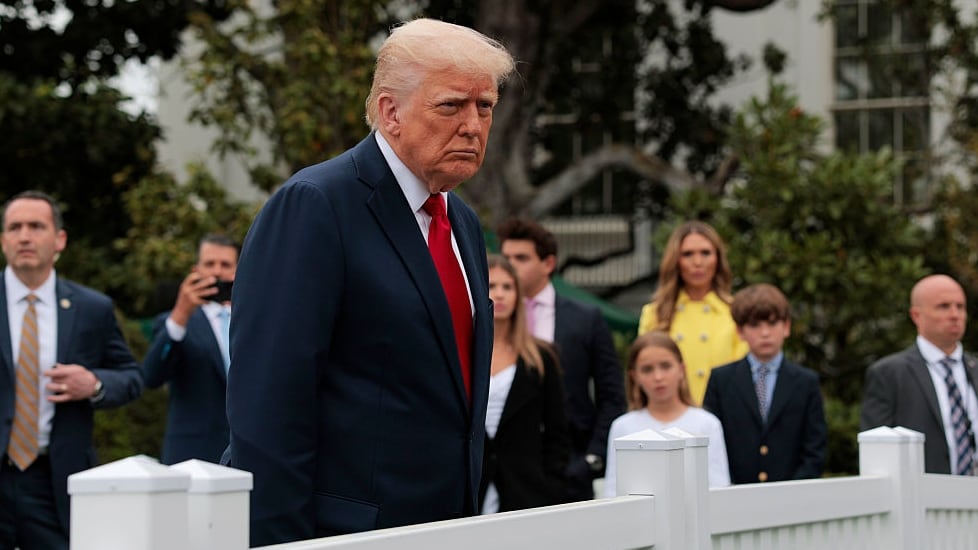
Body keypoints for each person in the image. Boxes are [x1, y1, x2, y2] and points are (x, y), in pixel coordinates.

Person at [224, 19, 514, 545]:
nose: (473, 126)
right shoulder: (315, 206)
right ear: (390, 111)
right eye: (451, 105)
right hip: (342, 535)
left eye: (485, 106)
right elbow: (268, 409)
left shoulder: (462, 223)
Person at [0, 191, 142, 549]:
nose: (25, 236)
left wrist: (93, 383)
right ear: (3, 240)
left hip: (54, 480)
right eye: (14, 227)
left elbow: (132, 377)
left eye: (36, 226)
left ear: (60, 239)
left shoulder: (91, 309)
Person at [497, 218, 625, 502]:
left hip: (571, 466)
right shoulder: (489, 317)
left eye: (521, 258)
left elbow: (612, 396)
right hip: (505, 470)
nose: (511, 265)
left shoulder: (585, 319)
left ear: (548, 263)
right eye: (506, 257)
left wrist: (592, 459)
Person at [703, 283, 826, 484]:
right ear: (740, 331)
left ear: (786, 327)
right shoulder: (721, 380)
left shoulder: (806, 382)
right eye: (755, 325)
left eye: (772, 323)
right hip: (736, 495)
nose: (765, 333)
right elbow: (714, 445)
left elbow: (814, 448)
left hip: (791, 498)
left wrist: (794, 489)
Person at [861, 274, 978, 475]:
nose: (955, 314)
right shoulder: (890, 374)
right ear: (916, 315)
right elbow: (877, 452)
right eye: (943, 306)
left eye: (960, 306)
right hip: (922, 497)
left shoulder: (973, 368)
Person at [480, 255, 570, 513]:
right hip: (472, 489)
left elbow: (558, 433)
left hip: (527, 492)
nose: (499, 294)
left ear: (518, 295)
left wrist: (551, 486)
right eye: (492, 285)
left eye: (507, 287)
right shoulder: (463, 354)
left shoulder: (541, 358)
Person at [143, 234, 238, 464]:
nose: (217, 272)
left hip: (246, 453)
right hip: (192, 455)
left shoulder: (254, 321)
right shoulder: (177, 322)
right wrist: (181, 314)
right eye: (209, 264)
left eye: (225, 265)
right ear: (195, 270)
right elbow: (151, 375)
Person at [604, 331, 730, 497]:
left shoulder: (706, 423)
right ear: (635, 376)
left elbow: (718, 486)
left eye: (665, 366)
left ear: (681, 369)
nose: (658, 377)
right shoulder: (623, 427)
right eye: (647, 369)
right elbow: (613, 490)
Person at [638, 220, 747, 405]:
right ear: (675, 261)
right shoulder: (654, 313)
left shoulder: (737, 312)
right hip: (672, 419)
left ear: (718, 259)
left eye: (705, 253)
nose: (697, 262)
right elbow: (646, 370)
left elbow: (743, 377)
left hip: (724, 416)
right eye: (687, 254)